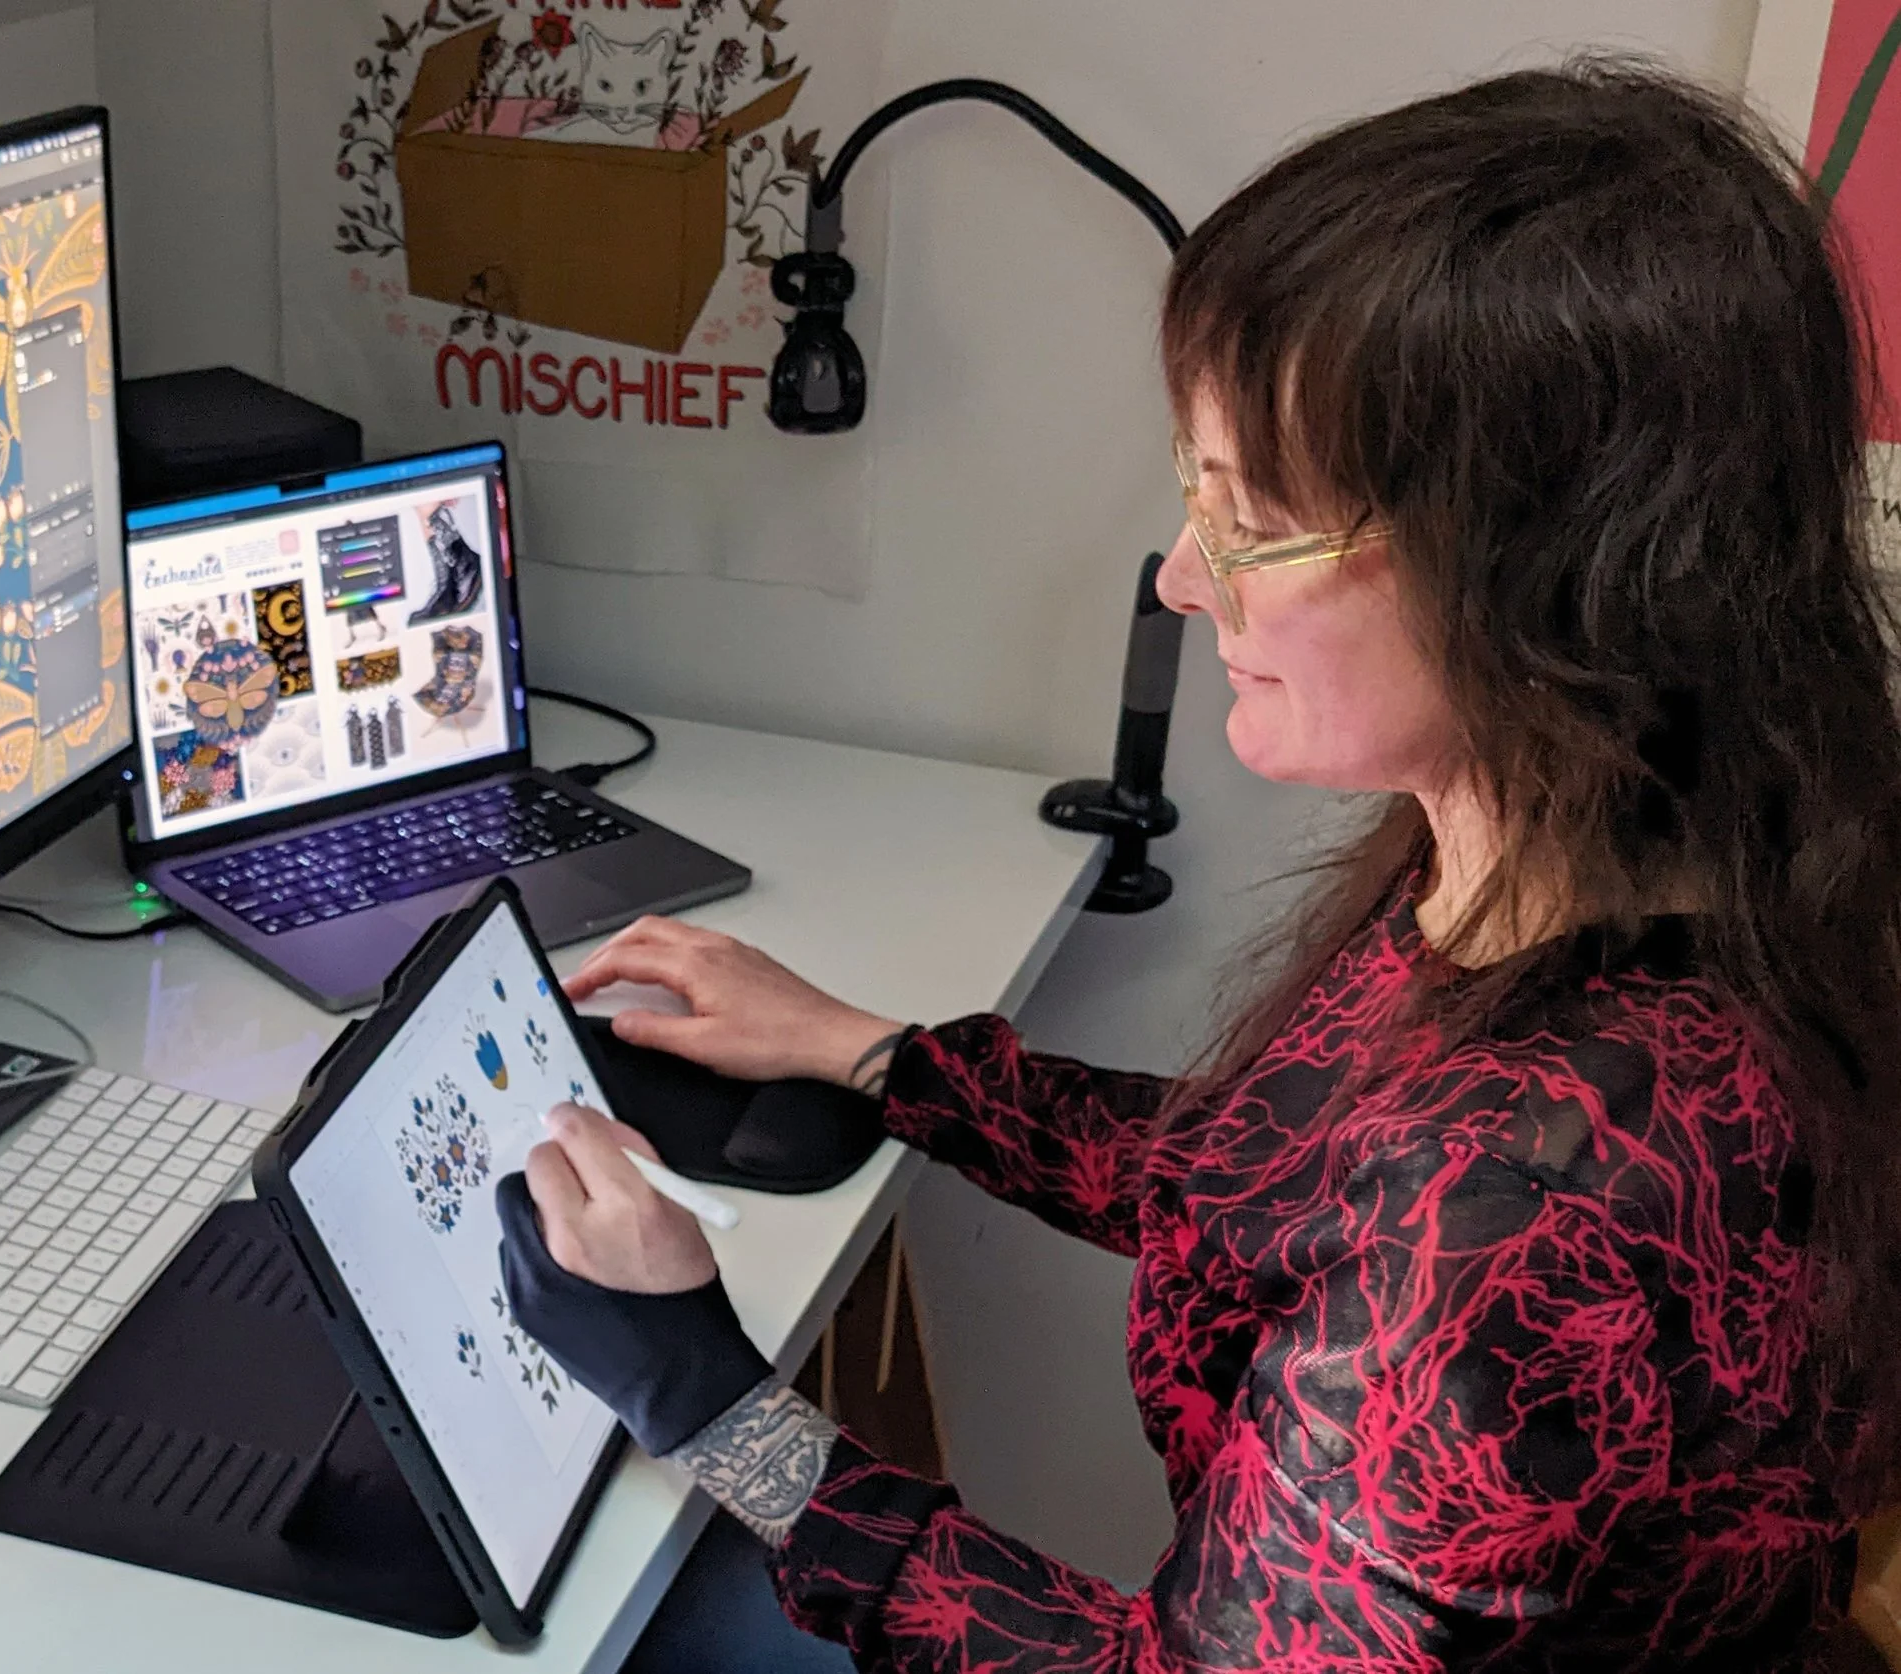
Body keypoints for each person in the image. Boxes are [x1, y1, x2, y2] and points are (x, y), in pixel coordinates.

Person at [493, 59, 1901, 1671]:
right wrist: (879, 1058)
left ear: (1541, 574)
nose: (1182, 576)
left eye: (1253, 516)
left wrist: (709, 1401)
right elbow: (1277, 1179)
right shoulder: (1612, 854)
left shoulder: (1514, 1216)